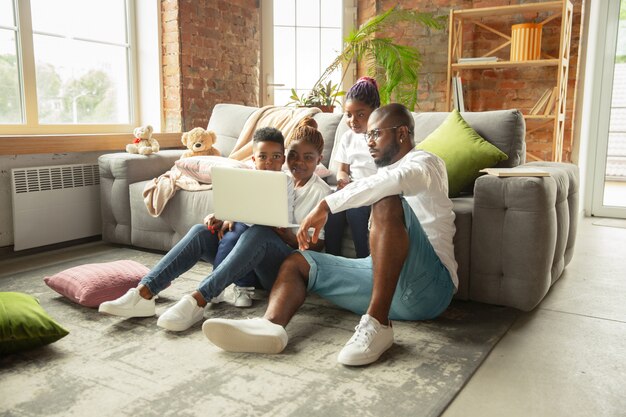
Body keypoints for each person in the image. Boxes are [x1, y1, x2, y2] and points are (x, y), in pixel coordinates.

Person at [202, 103, 458, 367]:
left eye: (375, 134)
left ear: (402, 133)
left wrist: (324, 205)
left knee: (385, 200)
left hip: (430, 287)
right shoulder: (383, 173)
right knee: (298, 261)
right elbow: (376, 182)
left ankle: (378, 323)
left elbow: (393, 182)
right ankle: (270, 326)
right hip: (383, 282)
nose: (368, 142)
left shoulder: (427, 163)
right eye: (366, 135)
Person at [99, 117, 331, 332]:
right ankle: (144, 293)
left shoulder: (320, 192)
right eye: (293, 155)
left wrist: (279, 231)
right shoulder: (278, 178)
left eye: (308, 158)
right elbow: (247, 207)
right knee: (201, 231)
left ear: (318, 160)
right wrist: (226, 215)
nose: (299, 162)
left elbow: (315, 248)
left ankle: (199, 299)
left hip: (281, 271)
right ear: (286, 155)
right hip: (250, 260)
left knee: (260, 231)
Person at [324, 77, 379, 258]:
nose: (353, 120)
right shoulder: (348, 138)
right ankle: (332, 260)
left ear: (375, 112)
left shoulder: (382, 137)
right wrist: (342, 179)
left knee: (356, 210)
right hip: (353, 188)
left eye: (360, 114)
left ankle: (364, 260)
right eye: (349, 115)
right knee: (332, 207)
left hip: (374, 190)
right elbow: (343, 169)